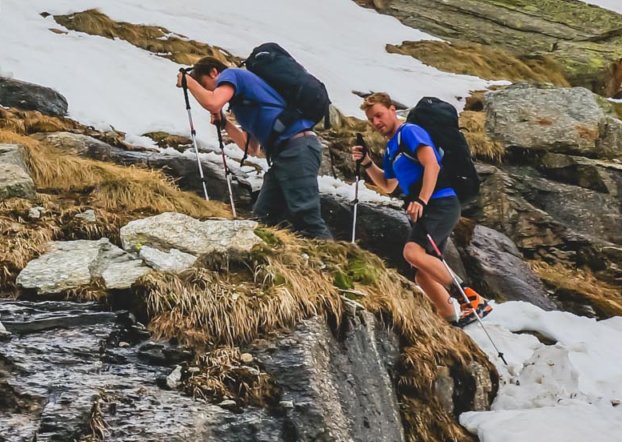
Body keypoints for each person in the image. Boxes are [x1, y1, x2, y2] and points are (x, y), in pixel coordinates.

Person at [351, 93, 476, 324]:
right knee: (422, 272)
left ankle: (470, 299)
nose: (376, 122)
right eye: (371, 119)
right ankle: (450, 319)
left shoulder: (409, 132)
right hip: (427, 207)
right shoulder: (391, 148)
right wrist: (367, 163)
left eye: (379, 115)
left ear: (392, 109)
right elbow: (388, 186)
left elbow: (432, 164)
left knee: (412, 252)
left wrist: (421, 200)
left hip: (440, 202)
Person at [179, 56, 332, 240]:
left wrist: (189, 82)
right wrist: (225, 124)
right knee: (263, 215)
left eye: (206, 85)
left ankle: (332, 263)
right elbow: (251, 148)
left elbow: (213, 102)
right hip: (285, 155)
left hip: (297, 148)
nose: (210, 90)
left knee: (306, 215)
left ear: (214, 72)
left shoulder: (233, 75)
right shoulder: (242, 103)